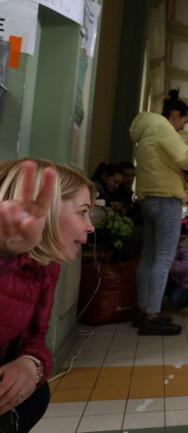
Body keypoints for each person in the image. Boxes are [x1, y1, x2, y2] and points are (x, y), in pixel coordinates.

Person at [0, 158, 95, 432]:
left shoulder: (46, 268)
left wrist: (31, 365)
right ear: (50, 211)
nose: (90, 226)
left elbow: (36, 337)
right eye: (82, 212)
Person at [130, 89, 188, 335]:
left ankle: (143, 309)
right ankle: (153, 315)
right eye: (183, 122)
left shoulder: (146, 130)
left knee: (148, 256)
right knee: (164, 258)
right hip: (166, 198)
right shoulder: (163, 128)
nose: (181, 128)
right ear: (176, 115)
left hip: (147, 199)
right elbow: (185, 158)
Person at [165, 220, 188, 309]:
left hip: (183, 283)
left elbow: (187, 264)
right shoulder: (172, 246)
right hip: (172, 279)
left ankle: (184, 298)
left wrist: (172, 266)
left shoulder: (185, 248)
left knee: (175, 301)